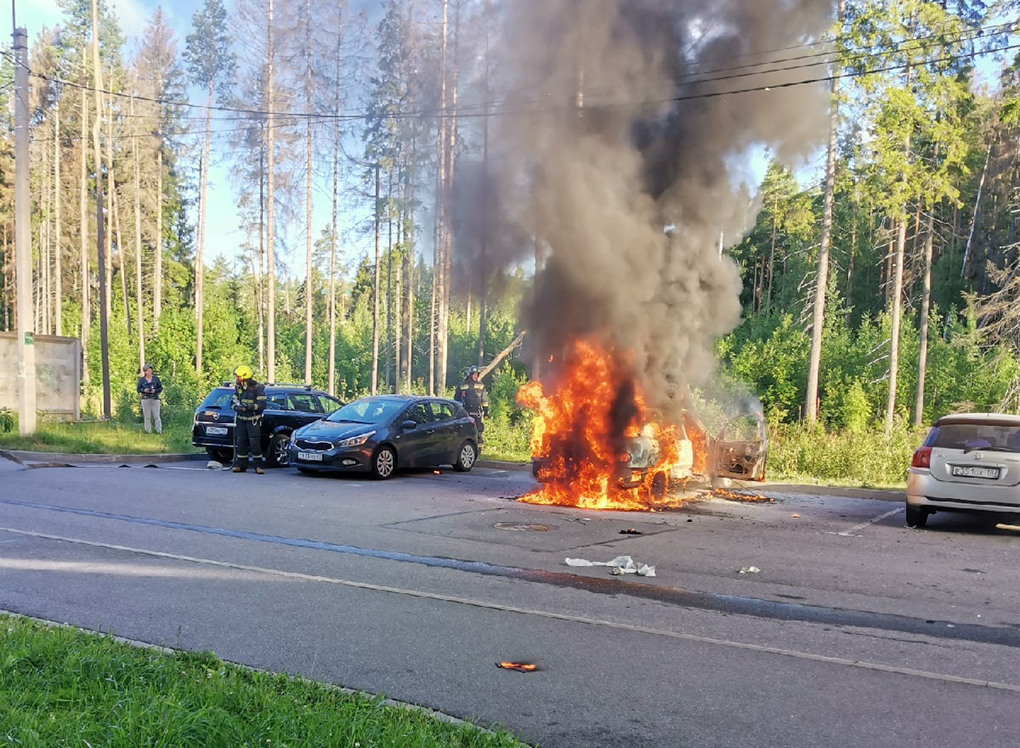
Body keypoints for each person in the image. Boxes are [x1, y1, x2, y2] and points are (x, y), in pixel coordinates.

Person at [231, 365, 267, 474]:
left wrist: (249, 407)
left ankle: (258, 466)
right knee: (241, 442)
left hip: (253, 420)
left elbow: (262, 405)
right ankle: (241, 466)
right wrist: (237, 407)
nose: (236, 379)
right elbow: (232, 402)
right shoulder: (239, 388)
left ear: (244, 377)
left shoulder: (257, 388)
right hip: (241, 419)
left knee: (254, 444)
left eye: (238, 377)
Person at [454, 365, 489, 446]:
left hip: (477, 413)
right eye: (474, 374)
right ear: (469, 375)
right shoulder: (462, 385)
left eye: (477, 374)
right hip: (465, 413)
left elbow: (484, 400)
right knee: (465, 432)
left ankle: (479, 450)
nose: (475, 376)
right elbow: (456, 400)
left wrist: (486, 411)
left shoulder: (481, 385)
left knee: (479, 431)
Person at [136, 364, 163, 435]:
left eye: (150, 370)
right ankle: (148, 431)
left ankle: (158, 431)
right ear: (145, 371)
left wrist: (155, 391)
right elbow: (138, 389)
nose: (149, 372)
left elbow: (160, 388)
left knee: (156, 416)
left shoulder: (156, 379)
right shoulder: (142, 380)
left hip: (155, 399)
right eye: (148, 370)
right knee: (147, 416)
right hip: (145, 399)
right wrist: (144, 390)